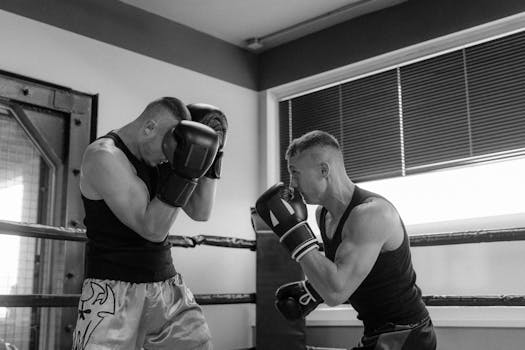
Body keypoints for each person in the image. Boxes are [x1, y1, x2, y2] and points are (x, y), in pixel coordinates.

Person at [256, 130, 436, 349]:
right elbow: (345, 271)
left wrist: (294, 233)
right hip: (377, 332)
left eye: (295, 173)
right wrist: (312, 291)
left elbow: (336, 292)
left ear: (324, 170)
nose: (292, 184)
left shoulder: (371, 214)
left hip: (406, 335)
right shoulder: (322, 214)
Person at [72, 97, 228, 350]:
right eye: (167, 150)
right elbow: (152, 229)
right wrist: (186, 172)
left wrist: (213, 156)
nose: (169, 159)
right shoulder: (103, 156)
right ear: (148, 128)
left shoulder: (161, 153)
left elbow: (200, 211)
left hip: (167, 286)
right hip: (112, 293)